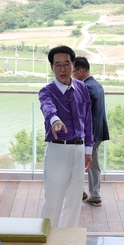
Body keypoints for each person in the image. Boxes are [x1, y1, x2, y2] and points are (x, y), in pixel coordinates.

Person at [39, 46, 93, 227]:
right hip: (58, 149)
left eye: (66, 64)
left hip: (79, 149)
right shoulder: (47, 91)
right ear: (52, 68)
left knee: (75, 199)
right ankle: (47, 240)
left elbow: (88, 120)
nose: (62, 69)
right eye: (58, 65)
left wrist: (88, 150)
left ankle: (67, 240)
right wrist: (55, 120)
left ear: (73, 65)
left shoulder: (82, 88)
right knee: (53, 200)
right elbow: (48, 108)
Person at [73, 57, 109, 207]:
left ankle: (84, 193)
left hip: (90, 134)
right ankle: (93, 195)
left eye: (73, 71)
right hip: (99, 132)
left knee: (78, 162)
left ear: (81, 71)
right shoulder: (97, 85)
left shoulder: (85, 88)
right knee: (92, 164)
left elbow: (81, 114)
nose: (71, 75)